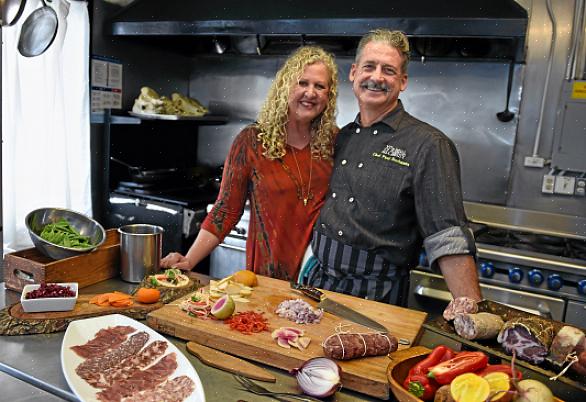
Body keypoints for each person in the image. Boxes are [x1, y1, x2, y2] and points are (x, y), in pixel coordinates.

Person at [306, 29, 482, 306]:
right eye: (369, 67)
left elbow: (446, 235)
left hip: (376, 297)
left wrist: (470, 308)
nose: (376, 77)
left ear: (403, 81)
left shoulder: (428, 144)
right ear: (353, 73)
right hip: (319, 288)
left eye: (388, 70)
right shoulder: (342, 137)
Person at [160, 46, 339, 281]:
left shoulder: (335, 142)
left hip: (318, 279)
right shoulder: (252, 141)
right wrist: (190, 259)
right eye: (302, 83)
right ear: (285, 86)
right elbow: (226, 209)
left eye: (320, 86)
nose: (311, 92)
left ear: (329, 95)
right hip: (267, 277)